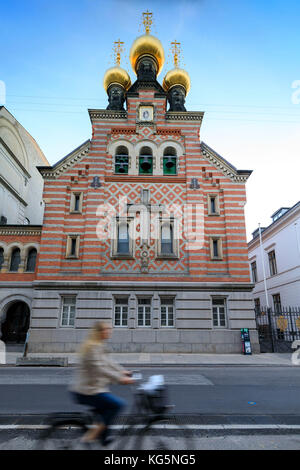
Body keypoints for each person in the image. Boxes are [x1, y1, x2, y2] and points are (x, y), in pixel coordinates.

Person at [70, 321, 134, 445]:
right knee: (117, 405)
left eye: (109, 329)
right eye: (106, 329)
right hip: (87, 391)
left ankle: (102, 436)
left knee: (106, 411)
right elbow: (100, 369)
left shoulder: (99, 345)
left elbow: (110, 363)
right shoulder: (92, 347)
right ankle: (90, 437)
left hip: (94, 388)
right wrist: (120, 379)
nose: (109, 332)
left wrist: (123, 371)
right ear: (99, 332)